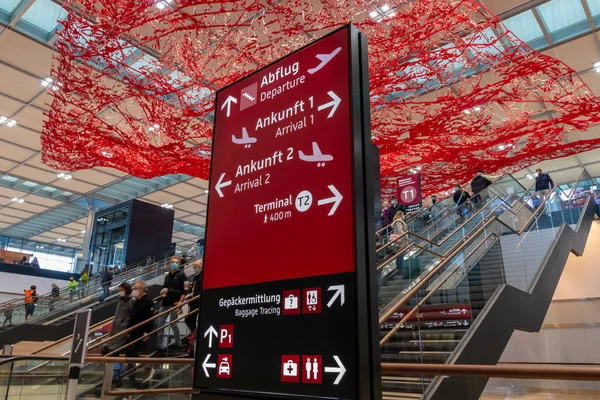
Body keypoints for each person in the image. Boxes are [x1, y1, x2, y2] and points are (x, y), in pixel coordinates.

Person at [125, 281, 155, 382]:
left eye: (136, 289)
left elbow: (150, 318)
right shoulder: (136, 301)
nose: (134, 290)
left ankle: (141, 373)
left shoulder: (148, 301)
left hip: (141, 331)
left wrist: (147, 332)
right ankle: (130, 376)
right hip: (133, 331)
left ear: (142, 289)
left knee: (134, 352)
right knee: (130, 353)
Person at [156, 257, 186, 350]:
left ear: (179, 264)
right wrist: (162, 293)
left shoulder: (182, 275)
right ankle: (159, 345)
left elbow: (185, 290)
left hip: (175, 303)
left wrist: (181, 301)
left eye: (176, 262)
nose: (174, 264)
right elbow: (165, 289)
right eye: (173, 262)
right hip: (165, 303)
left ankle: (178, 343)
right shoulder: (167, 276)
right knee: (160, 324)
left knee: (173, 324)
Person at [102, 282, 134, 355]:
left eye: (122, 290)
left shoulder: (131, 300)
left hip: (122, 326)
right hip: (116, 325)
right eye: (119, 290)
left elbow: (132, 314)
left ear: (126, 290)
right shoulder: (120, 300)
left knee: (118, 342)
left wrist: (125, 324)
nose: (120, 292)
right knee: (112, 340)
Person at [185, 260, 203, 333]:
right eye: (193, 267)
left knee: (188, 319)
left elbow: (200, 290)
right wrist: (188, 293)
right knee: (190, 320)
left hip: (197, 301)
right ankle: (194, 335)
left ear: (200, 267)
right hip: (192, 301)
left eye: (195, 267)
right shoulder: (196, 277)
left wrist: (192, 295)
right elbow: (192, 288)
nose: (194, 269)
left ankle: (196, 334)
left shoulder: (202, 277)